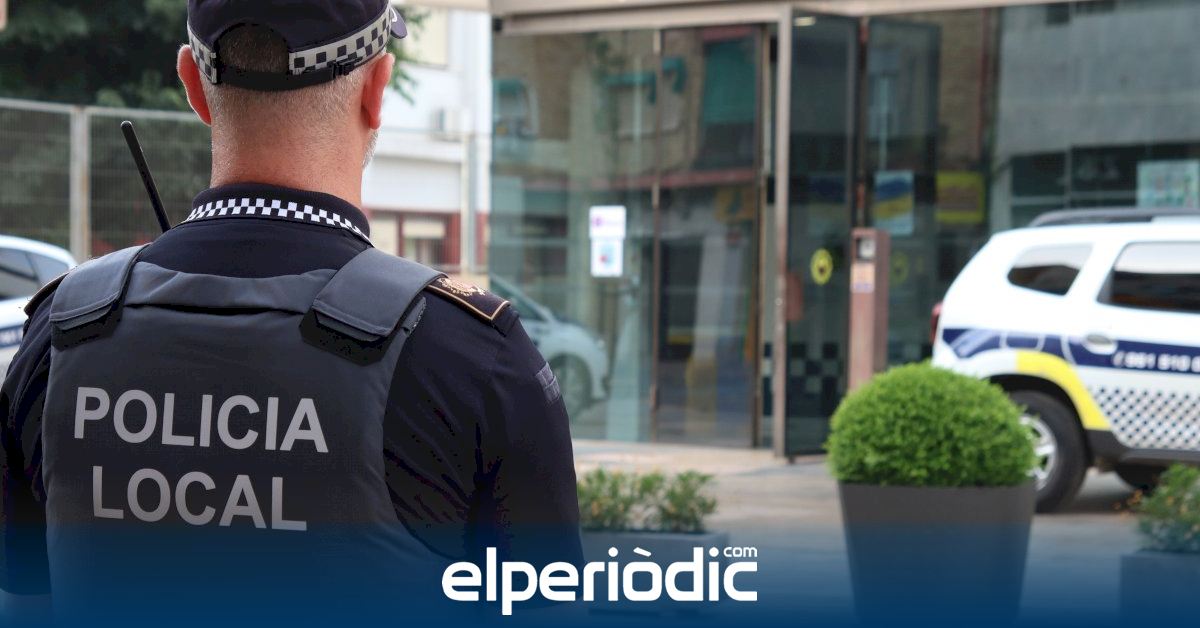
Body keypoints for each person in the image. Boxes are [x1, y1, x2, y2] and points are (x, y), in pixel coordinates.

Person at [0, 1, 581, 624]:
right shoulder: (475, 359)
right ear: (377, 90)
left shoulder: (60, 335)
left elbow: (26, 599)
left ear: (193, 84)